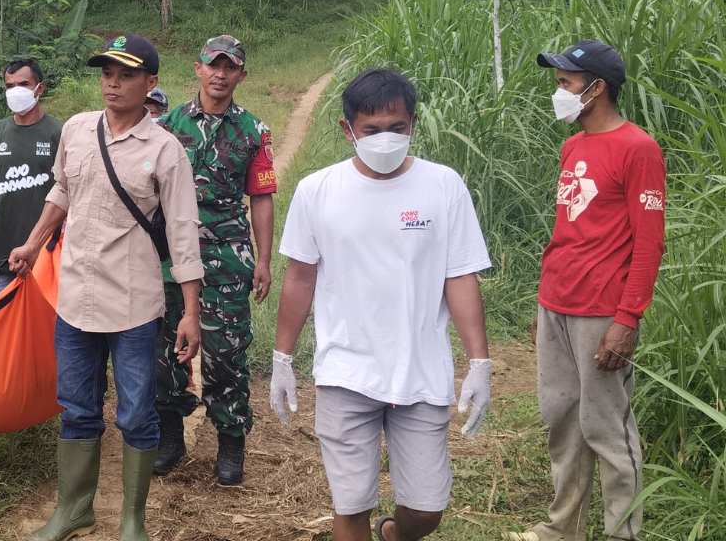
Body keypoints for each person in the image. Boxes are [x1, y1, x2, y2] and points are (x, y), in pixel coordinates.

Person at [270, 68, 493, 541]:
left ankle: (394, 532)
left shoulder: (444, 186)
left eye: (397, 127)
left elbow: (460, 276)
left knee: (427, 509)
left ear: (413, 123)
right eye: (372, 130)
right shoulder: (317, 191)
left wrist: (479, 361)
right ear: (346, 129)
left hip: (421, 372)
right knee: (350, 505)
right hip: (346, 372)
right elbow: (299, 277)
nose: (386, 139)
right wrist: (282, 358)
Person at [8, 34, 204, 541]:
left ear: (151, 83)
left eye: (127, 75)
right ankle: (73, 509)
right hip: (75, 297)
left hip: (134, 303)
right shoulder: (76, 130)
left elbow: (182, 232)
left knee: (137, 413)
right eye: (107, 74)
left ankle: (132, 520)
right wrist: (33, 244)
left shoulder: (165, 150)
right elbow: (62, 191)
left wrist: (190, 311)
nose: (113, 84)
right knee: (76, 406)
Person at [504, 41, 665, 541]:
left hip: (602, 310)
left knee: (606, 426)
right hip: (558, 302)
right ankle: (561, 528)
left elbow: (649, 243)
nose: (559, 91)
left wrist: (628, 318)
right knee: (561, 419)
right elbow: (566, 229)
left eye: (566, 82)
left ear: (596, 89)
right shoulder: (572, 146)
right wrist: (543, 300)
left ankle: (623, 532)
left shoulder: (638, 149)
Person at [153, 34, 276, 486]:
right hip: (170, 257)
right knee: (165, 351)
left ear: (241, 74)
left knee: (226, 354)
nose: (220, 74)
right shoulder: (166, 126)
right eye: (213, 65)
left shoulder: (253, 131)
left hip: (226, 257)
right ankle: (170, 436)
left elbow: (261, 197)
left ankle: (230, 441)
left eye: (230, 67)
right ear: (198, 68)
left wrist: (263, 259)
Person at [0, 57, 63, 307]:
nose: (16, 91)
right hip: (1, 256)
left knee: (44, 333)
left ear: (40, 87)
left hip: (46, 255)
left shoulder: (58, 133)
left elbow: (68, 191)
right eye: (9, 85)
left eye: (24, 84)